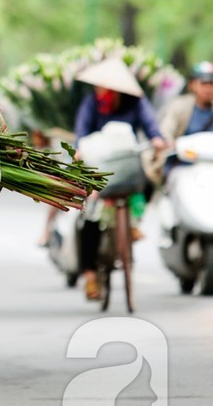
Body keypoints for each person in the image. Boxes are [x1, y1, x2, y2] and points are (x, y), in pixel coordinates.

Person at [73, 57, 167, 301]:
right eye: (99, 87)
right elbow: (81, 132)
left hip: (126, 165)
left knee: (148, 182)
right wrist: (79, 150)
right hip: (98, 166)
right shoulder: (91, 104)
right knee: (90, 215)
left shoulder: (136, 103)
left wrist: (157, 139)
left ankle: (134, 222)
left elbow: (151, 127)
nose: (101, 92)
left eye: (105, 88)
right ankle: (90, 274)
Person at [147, 60, 213, 182]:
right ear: (192, 85)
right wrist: (169, 143)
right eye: (204, 83)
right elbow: (166, 130)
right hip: (180, 167)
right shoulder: (178, 106)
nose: (208, 88)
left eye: (211, 83)